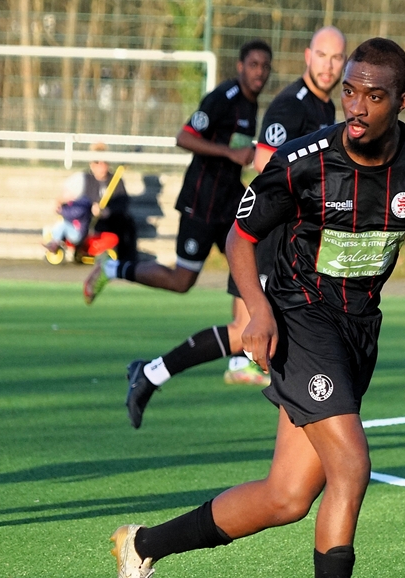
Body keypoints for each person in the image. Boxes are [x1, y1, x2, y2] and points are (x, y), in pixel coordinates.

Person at [109, 38, 405, 578]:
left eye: (373, 96)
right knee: (352, 464)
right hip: (301, 319)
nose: (356, 106)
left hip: (359, 330)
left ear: (402, 101)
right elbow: (240, 237)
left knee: (286, 496)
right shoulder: (306, 161)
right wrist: (258, 308)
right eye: (349, 91)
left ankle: (142, 545)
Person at [123, 27, 347, 428]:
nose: (328, 66)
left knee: (256, 330)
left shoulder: (324, 108)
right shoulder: (291, 105)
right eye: (322, 55)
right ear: (307, 56)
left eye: (336, 58)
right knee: (249, 330)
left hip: (290, 239)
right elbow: (264, 160)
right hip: (268, 237)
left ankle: (152, 373)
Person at [83, 39, 272, 303]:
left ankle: (247, 326)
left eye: (265, 66)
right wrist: (230, 153)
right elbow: (184, 137)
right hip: (201, 202)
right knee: (182, 280)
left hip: (229, 202)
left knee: (253, 262)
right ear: (240, 66)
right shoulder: (223, 98)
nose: (259, 71)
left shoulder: (251, 104)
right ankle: (112, 268)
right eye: (253, 64)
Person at [44, 143, 135, 263]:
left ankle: (126, 261)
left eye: (104, 162)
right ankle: (60, 245)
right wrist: (60, 202)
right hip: (86, 221)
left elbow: (122, 204)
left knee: (127, 224)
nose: (101, 165)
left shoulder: (116, 181)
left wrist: (105, 212)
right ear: (91, 164)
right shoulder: (83, 179)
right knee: (63, 224)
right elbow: (67, 196)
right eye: (97, 162)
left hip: (109, 222)